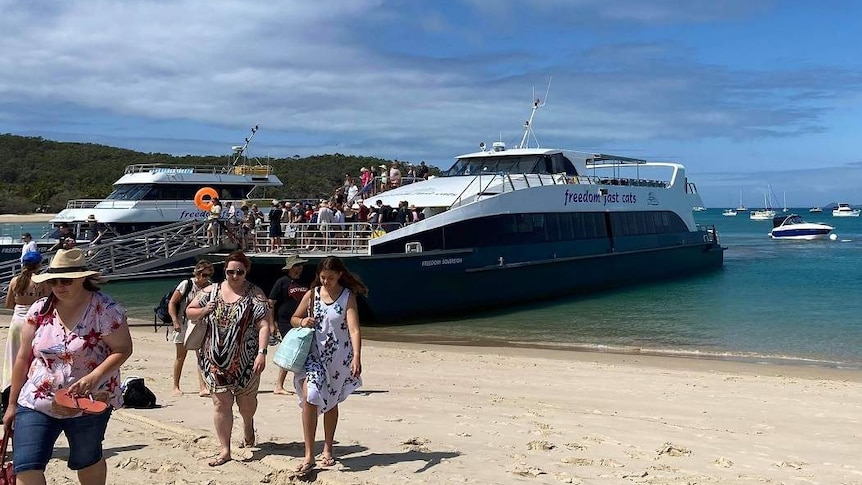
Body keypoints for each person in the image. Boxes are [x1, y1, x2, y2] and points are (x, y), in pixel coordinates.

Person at [3, 248, 133, 484]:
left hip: (88, 401)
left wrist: (94, 377)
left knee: (86, 459)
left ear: (82, 278)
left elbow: (123, 349)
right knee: (26, 465)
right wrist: (11, 404)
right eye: (54, 281)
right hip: (36, 399)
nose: (59, 286)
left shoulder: (105, 310)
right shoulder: (39, 310)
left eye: (66, 280)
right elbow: (23, 357)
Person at [185, 251, 272, 467]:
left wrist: (262, 352)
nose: (234, 276)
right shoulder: (211, 291)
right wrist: (205, 309)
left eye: (239, 272)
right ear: (225, 271)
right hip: (213, 358)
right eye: (230, 272)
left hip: (247, 361)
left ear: (246, 272)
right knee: (221, 403)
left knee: (246, 404)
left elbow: (264, 324)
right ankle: (225, 450)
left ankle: (248, 424)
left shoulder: (255, 294)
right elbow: (189, 311)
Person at [290, 256, 366, 474]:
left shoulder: (347, 296)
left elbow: (354, 330)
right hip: (313, 356)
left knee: (332, 401)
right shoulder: (312, 295)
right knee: (310, 396)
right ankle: (308, 454)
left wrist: (357, 356)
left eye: (330, 278)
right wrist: (303, 321)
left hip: (338, 358)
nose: (325, 282)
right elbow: (294, 318)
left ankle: (328, 449)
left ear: (340, 275)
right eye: (322, 277)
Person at [2, 251, 49, 410]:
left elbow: (8, 304)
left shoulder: (15, 281)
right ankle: (26, 387)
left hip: (17, 322)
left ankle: (8, 389)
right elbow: (49, 302)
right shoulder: (40, 282)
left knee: (13, 357)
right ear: (39, 264)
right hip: (33, 321)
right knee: (30, 357)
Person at [167, 261, 214, 396]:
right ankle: (175, 386)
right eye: (204, 275)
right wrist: (175, 321)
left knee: (201, 356)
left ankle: (202, 386)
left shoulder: (210, 287)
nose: (206, 278)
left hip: (200, 324)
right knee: (181, 356)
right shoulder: (186, 284)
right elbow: (172, 302)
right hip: (183, 324)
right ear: (197, 273)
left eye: (209, 275)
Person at [267, 254, 310, 395]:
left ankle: (304, 382)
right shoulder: (282, 282)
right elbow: (271, 303)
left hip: (302, 320)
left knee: (304, 349)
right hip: (285, 321)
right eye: (296, 266)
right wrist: (271, 324)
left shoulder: (305, 282)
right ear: (290, 268)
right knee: (289, 350)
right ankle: (279, 385)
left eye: (300, 265)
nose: (299, 269)